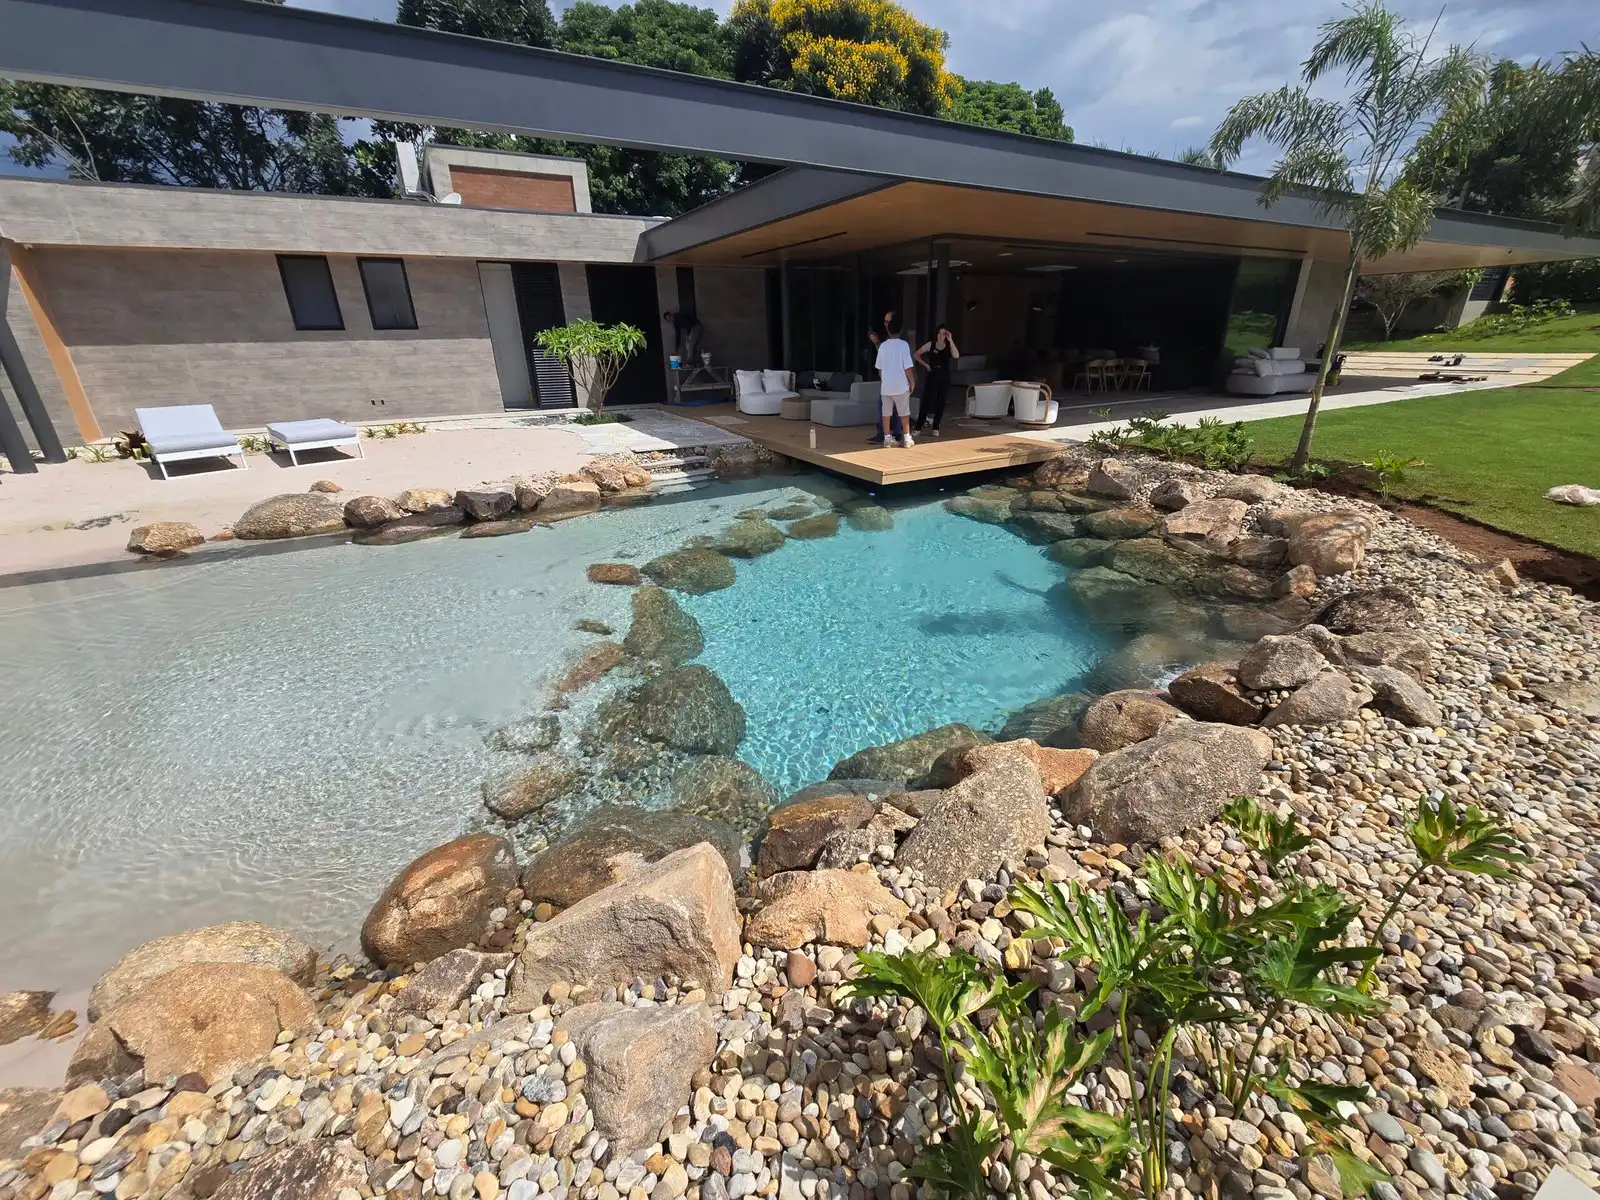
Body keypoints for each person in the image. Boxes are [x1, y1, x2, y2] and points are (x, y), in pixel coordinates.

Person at [874, 314, 916, 448]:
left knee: (886, 413)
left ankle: (887, 438)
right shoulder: (904, 345)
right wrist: (912, 381)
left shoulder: (883, 346)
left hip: (886, 387)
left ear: (888, 328)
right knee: (904, 413)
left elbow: (879, 368)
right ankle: (907, 438)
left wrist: (885, 379)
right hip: (901, 386)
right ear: (900, 329)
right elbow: (907, 367)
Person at [914, 324, 959, 436]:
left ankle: (936, 426)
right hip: (933, 373)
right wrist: (925, 365)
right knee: (928, 400)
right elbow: (916, 354)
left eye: (943, 333)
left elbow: (956, 355)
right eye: (939, 333)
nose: (940, 335)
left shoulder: (948, 345)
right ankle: (918, 427)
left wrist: (951, 340)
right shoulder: (931, 344)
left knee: (941, 401)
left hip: (945, 374)